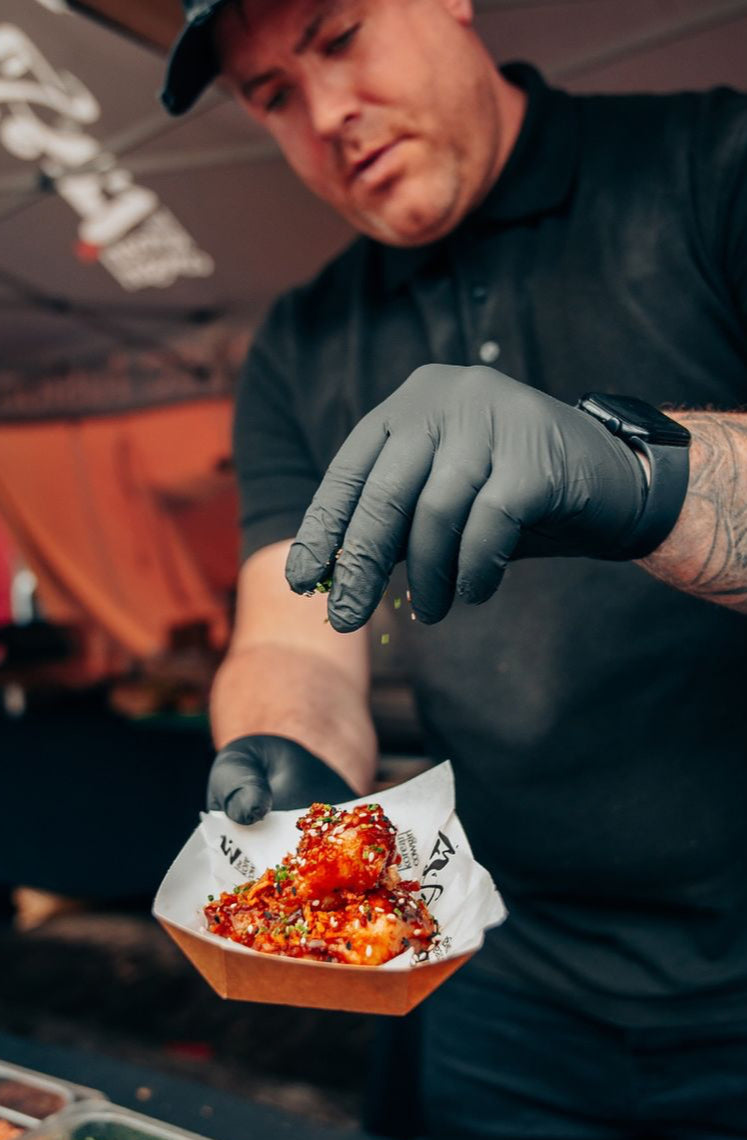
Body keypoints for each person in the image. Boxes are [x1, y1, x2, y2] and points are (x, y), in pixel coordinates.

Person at [161, 1, 747, 1135]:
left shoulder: (710, 166)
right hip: (502, 984)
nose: (327, 114)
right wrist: (279, 749)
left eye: (339, 36)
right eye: (273, 95)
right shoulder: (302, 344)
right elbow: (292, 638)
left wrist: (640, 477)